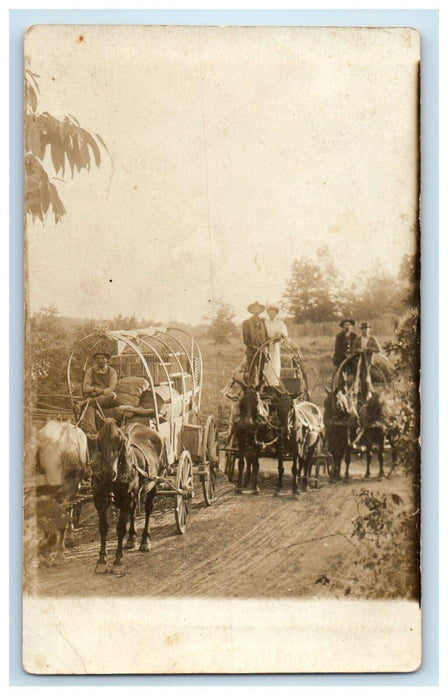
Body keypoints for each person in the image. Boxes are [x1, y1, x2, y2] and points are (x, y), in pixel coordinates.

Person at [80, 351, 118, 436]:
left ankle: (85, 403)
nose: (100, 360)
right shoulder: (90, 371)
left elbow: (112, 388)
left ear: (106, 360)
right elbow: (85, 388)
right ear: (95, 360)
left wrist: (101, 391)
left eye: (102, 358)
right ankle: (91, 433)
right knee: (89, 407)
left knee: (112, 395)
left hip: (105, 398)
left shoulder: (112, 371)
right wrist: (94, 389)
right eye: (98, 358)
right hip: (93, 396)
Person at [350, 322, 382, 400]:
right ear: (361, 330)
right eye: (363, 329)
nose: (365, 331)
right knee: (357, 378)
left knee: (365, 379)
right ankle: (358, 395)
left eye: (366, 329)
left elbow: (378, 350)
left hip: (367, 362)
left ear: (369, 330)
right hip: (357, 362)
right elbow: (352, 350)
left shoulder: (372, 339)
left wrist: (368, 349)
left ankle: (366, 396)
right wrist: (358, 350)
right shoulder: (357, 339)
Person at [242, 301, 268, 384]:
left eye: (258, 308)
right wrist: (252, 345)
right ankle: (251, 388)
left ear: (260, 310)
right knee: (252, 369)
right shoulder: (246, 322)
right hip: (252, 350)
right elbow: (245, 337)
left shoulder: (263, 322)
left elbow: (266, 335)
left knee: (261, 369)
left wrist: (265, 345)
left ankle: (260, 388)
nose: (256, 310)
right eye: (254, 308)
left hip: (262, 350)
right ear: (251, 311)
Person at [264, 303, 288, 387]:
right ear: (268, 313)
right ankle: (265, 382)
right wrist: (267, 339)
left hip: (275, 345)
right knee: (266, 362)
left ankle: (273, 383)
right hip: (266, 344)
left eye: (274, 312)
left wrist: (277, 338)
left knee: (274, 362)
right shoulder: (265, 322)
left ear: (276, 313)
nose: (272, 314)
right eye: (270, 312)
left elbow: (284, 335)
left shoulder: (280, 323)